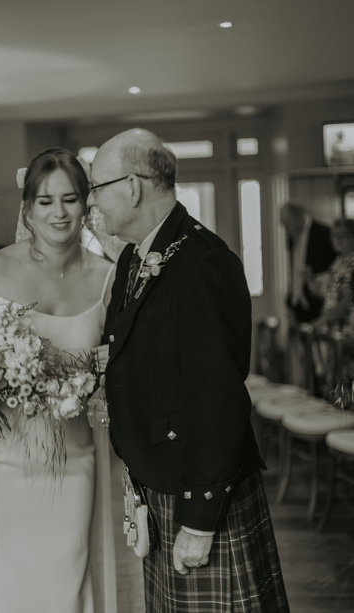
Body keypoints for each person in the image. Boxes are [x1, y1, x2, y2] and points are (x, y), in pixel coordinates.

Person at [92, 128, 288, 612]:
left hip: (200, 490)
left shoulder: (204, 262)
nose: (92, 201)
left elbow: (217, 396)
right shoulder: (136, 257)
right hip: (161, 478)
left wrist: (200, 520)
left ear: (132, 188)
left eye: (97, 187)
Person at [0, 150, 116, 612]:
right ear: (27, 209)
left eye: (70, 199)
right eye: (46, 201)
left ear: (86, 204)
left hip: (74, 462)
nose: (58, 212)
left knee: (64, 589)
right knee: (0, 590)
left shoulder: (109, 278)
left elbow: (123, 369)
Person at [281, 202, 337, 324]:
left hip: (319, 303)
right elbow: (294, 269)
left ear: (299, 216)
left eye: (287, 224)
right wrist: (291, 299)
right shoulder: (291, 239)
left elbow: (335, 269)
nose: (286, 229)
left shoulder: (324, 233)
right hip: (298, 305)